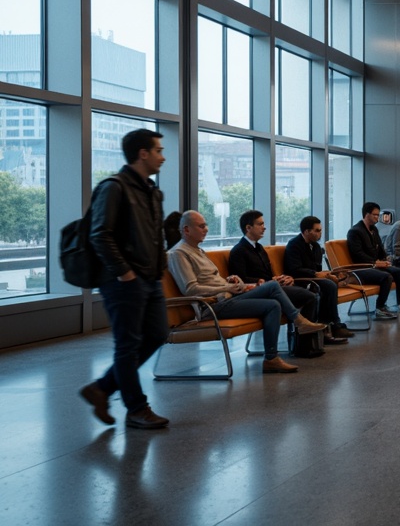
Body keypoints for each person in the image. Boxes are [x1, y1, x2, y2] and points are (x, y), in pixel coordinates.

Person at [80, 129, 172, 429]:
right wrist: (125, 273)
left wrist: (158, 267)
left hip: (149, 277)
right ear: (142, 153)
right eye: (158, 150)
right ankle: (136, 408)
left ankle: (102, 388)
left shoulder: (153, 191)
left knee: (158, 334)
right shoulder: (114, 187)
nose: (163, 156)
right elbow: (99, 234)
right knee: (127, 345)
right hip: (123, 280)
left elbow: (155, 235)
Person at [168, 211, 326, 374]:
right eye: (201, 226)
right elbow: (190, 289)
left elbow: (212, 280)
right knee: (272, 288)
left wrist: (232, 281)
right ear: (186, 230)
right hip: (212, 306)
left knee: (273, 305)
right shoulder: (179, 254)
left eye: (206, 225)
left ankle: (271, 358)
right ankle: (299, 321)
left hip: (227, 298)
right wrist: (226, 288)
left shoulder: (198, 251)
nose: (206, 229)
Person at [230, 210, 352, 346]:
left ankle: (316, 335)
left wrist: (281, 278)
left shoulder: (259, 248)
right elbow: (240, 279)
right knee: (311, 296)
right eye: (260, 224)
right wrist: (266, 281)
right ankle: (306, 343)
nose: (264, 227)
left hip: (271, 287)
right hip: (259, 291)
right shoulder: (239, 251)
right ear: (248, 228)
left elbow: (269, 275)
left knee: (317, 291)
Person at [344, 204, 400, 318]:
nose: (377, 218)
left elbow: (380, 249)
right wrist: (375, 263)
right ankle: (380, 307)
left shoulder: (374, 230)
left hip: (374, 265)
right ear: (366, 214)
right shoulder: (355, 231)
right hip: (361, 268)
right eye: (375, 215)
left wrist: (385, 259)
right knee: (386, 277)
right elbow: (357, 255)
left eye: (378, 215)